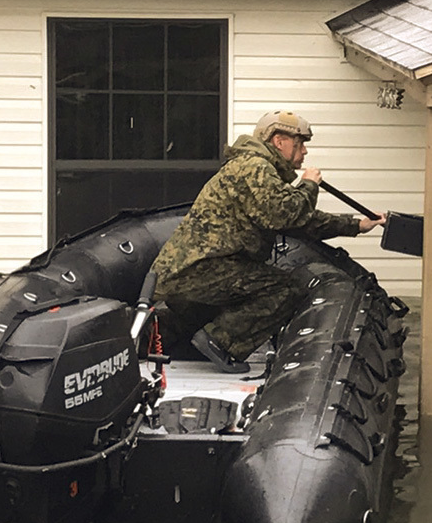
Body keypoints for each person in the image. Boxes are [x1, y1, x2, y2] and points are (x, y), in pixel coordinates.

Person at [152, 109, 385, 372]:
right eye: (301, 144)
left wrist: (356, 225)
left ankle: (164, 341)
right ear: (279, 141)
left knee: (230, 294)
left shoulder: (255, 169)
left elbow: (300, 221)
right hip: (202, 269)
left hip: (192, 271)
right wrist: (309, 185)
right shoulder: (255, 167)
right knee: (284, 290)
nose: (305, 152)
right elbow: (286, 213)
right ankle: (221, 343)